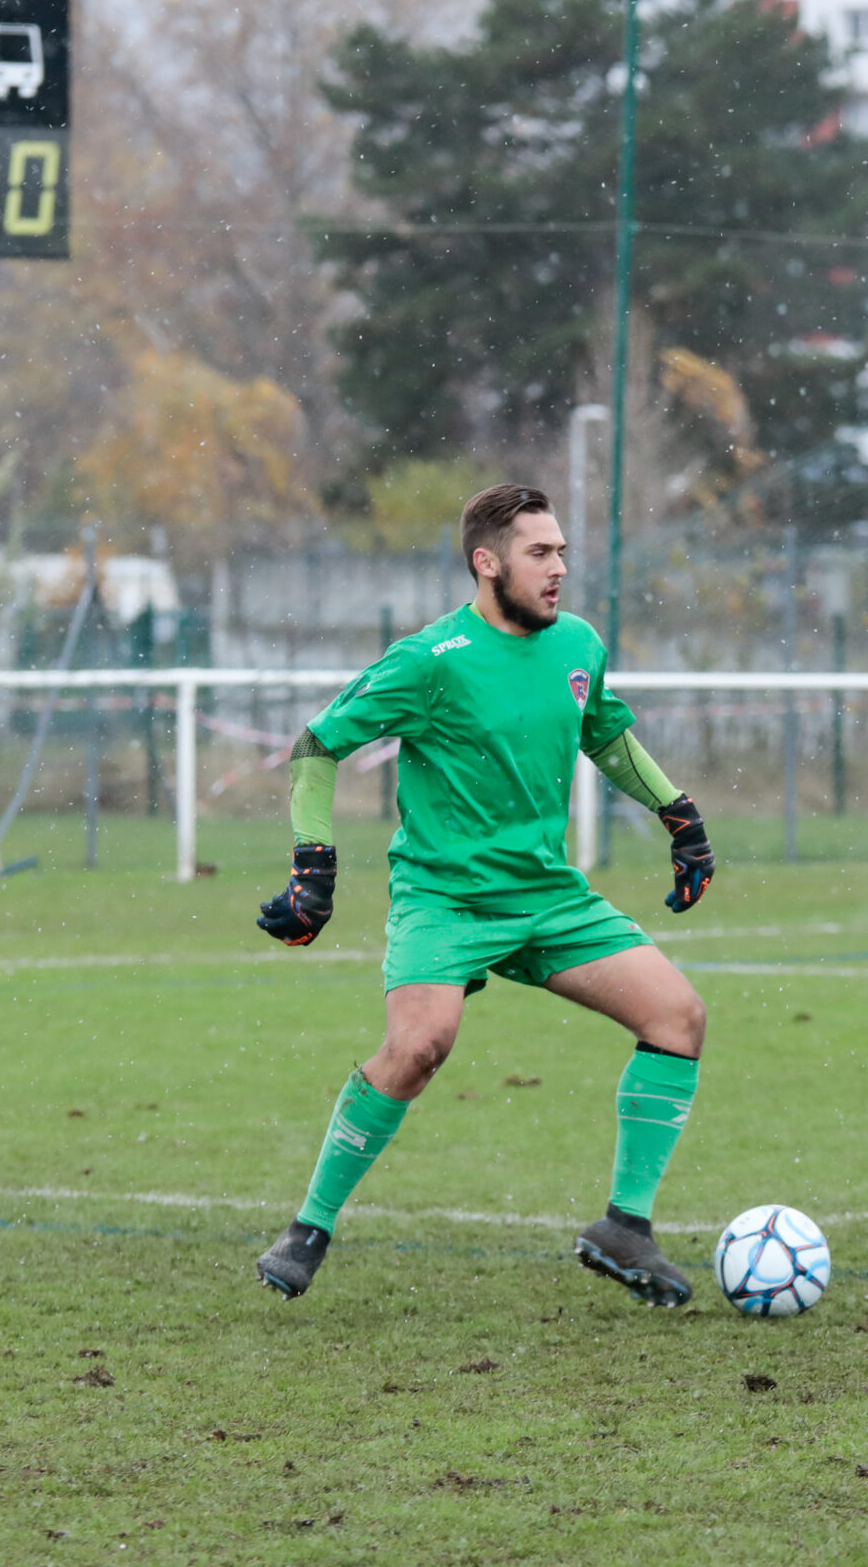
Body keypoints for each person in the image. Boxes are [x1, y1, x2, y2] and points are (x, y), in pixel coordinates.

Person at [251, 483, 718, 1306]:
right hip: (447, 899)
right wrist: (312, 866)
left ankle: (625, 1228)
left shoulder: (578, 644)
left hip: (548, 897)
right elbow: (317, 746)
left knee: (678, 1018)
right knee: (418, 1048)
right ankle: (308, 1229)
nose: (559, 568)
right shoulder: (431, 660)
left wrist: (679, 816)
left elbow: (607, 738)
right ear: (487, 562)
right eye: (540, 553)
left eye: (562, 551)